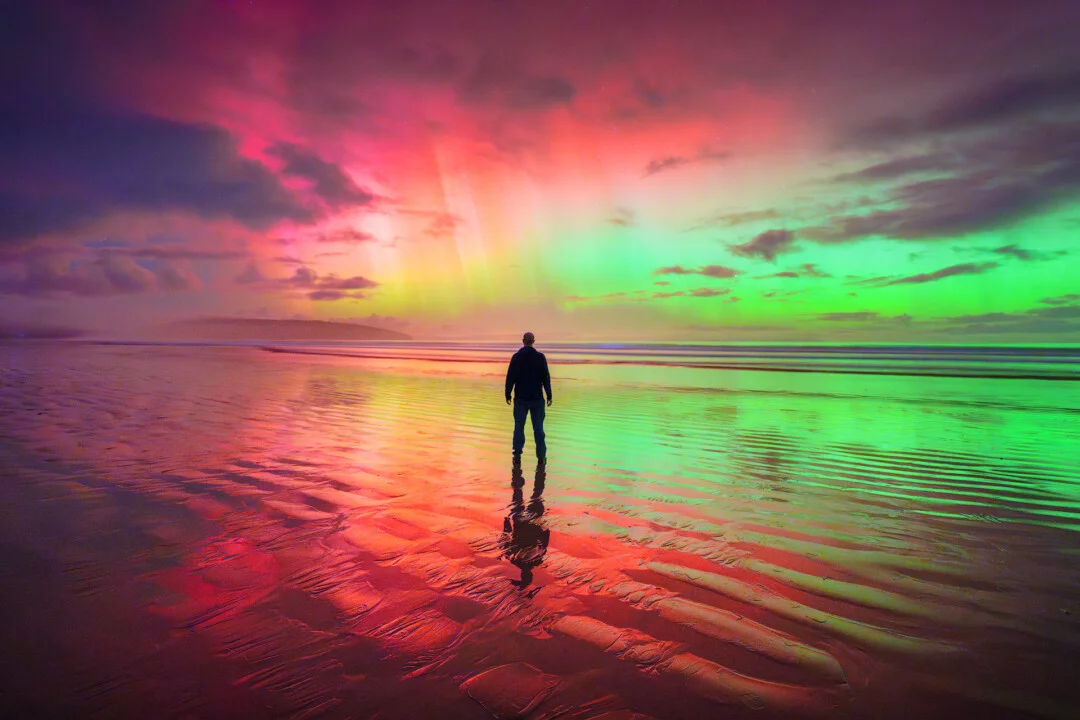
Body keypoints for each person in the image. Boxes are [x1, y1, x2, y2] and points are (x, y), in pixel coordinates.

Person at [504, 331, 552, 463]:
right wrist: (549, 394)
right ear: (533, 341)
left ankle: (517, 454)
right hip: (537, 399)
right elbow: (546, 378)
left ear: (523, 341)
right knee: (538, 429)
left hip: (521, 398)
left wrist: (508, 393)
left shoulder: (516, 357)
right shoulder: (540, 357)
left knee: (519, 427)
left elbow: (510, 377)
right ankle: (541, 457)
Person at [502, 461, 550, 588]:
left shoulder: (538, 559)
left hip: (533, 521)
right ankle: (517, 467)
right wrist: (506, 524)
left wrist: (542, 528)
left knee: (537, 494)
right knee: (518, 493)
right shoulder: (514, 560)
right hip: (519, 522)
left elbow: (546, 536)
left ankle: (540, 467)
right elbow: (506, 541)